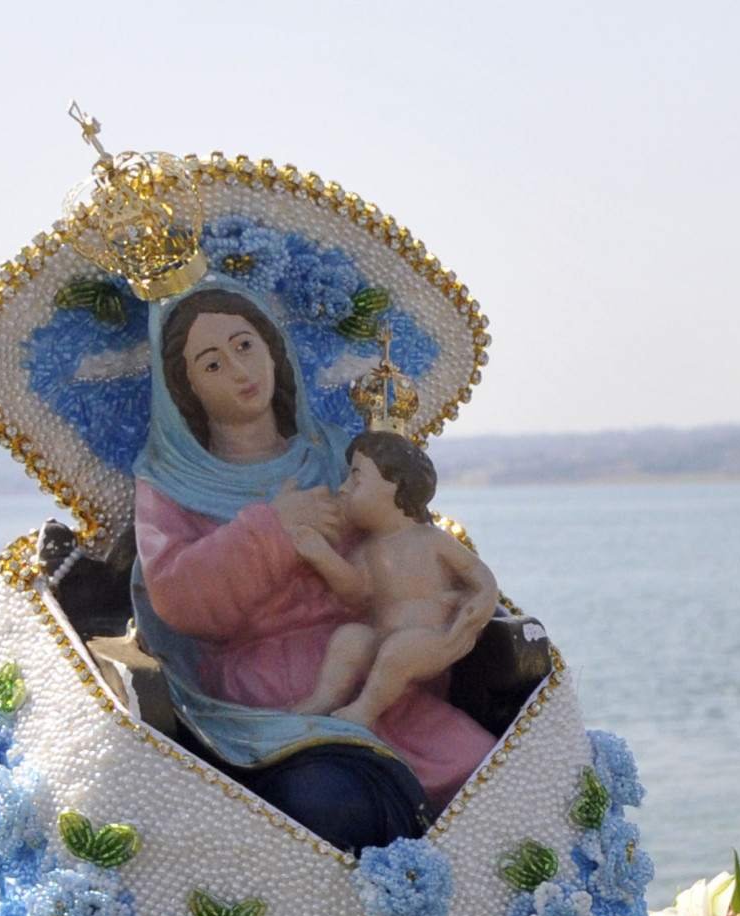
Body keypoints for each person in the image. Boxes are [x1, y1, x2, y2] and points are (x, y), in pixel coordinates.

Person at [128, 280, 494, 847]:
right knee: (332, 805)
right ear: (187, 387)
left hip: (376, 678)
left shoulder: (339, 455)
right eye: (212, 363)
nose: (239, 369)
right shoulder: (169, 484)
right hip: (263, 699)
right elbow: (178, 597)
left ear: (274, 347)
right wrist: (273, 528)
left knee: (483, 770)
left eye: (245, 345)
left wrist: (436, 617)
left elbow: (402, 545)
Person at [288, 432, 502, 728]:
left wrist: (481, 600)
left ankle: (365, 710)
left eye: (356, 479)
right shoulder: (367, 550)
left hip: (433, 641)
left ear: (395, 484)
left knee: (398, 650)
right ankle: (324, 698)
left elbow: (478, 574)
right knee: (349, 637)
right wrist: (321, 555)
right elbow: (355, 593)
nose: (343, 489)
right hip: (383, 639)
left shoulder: (431, 540)